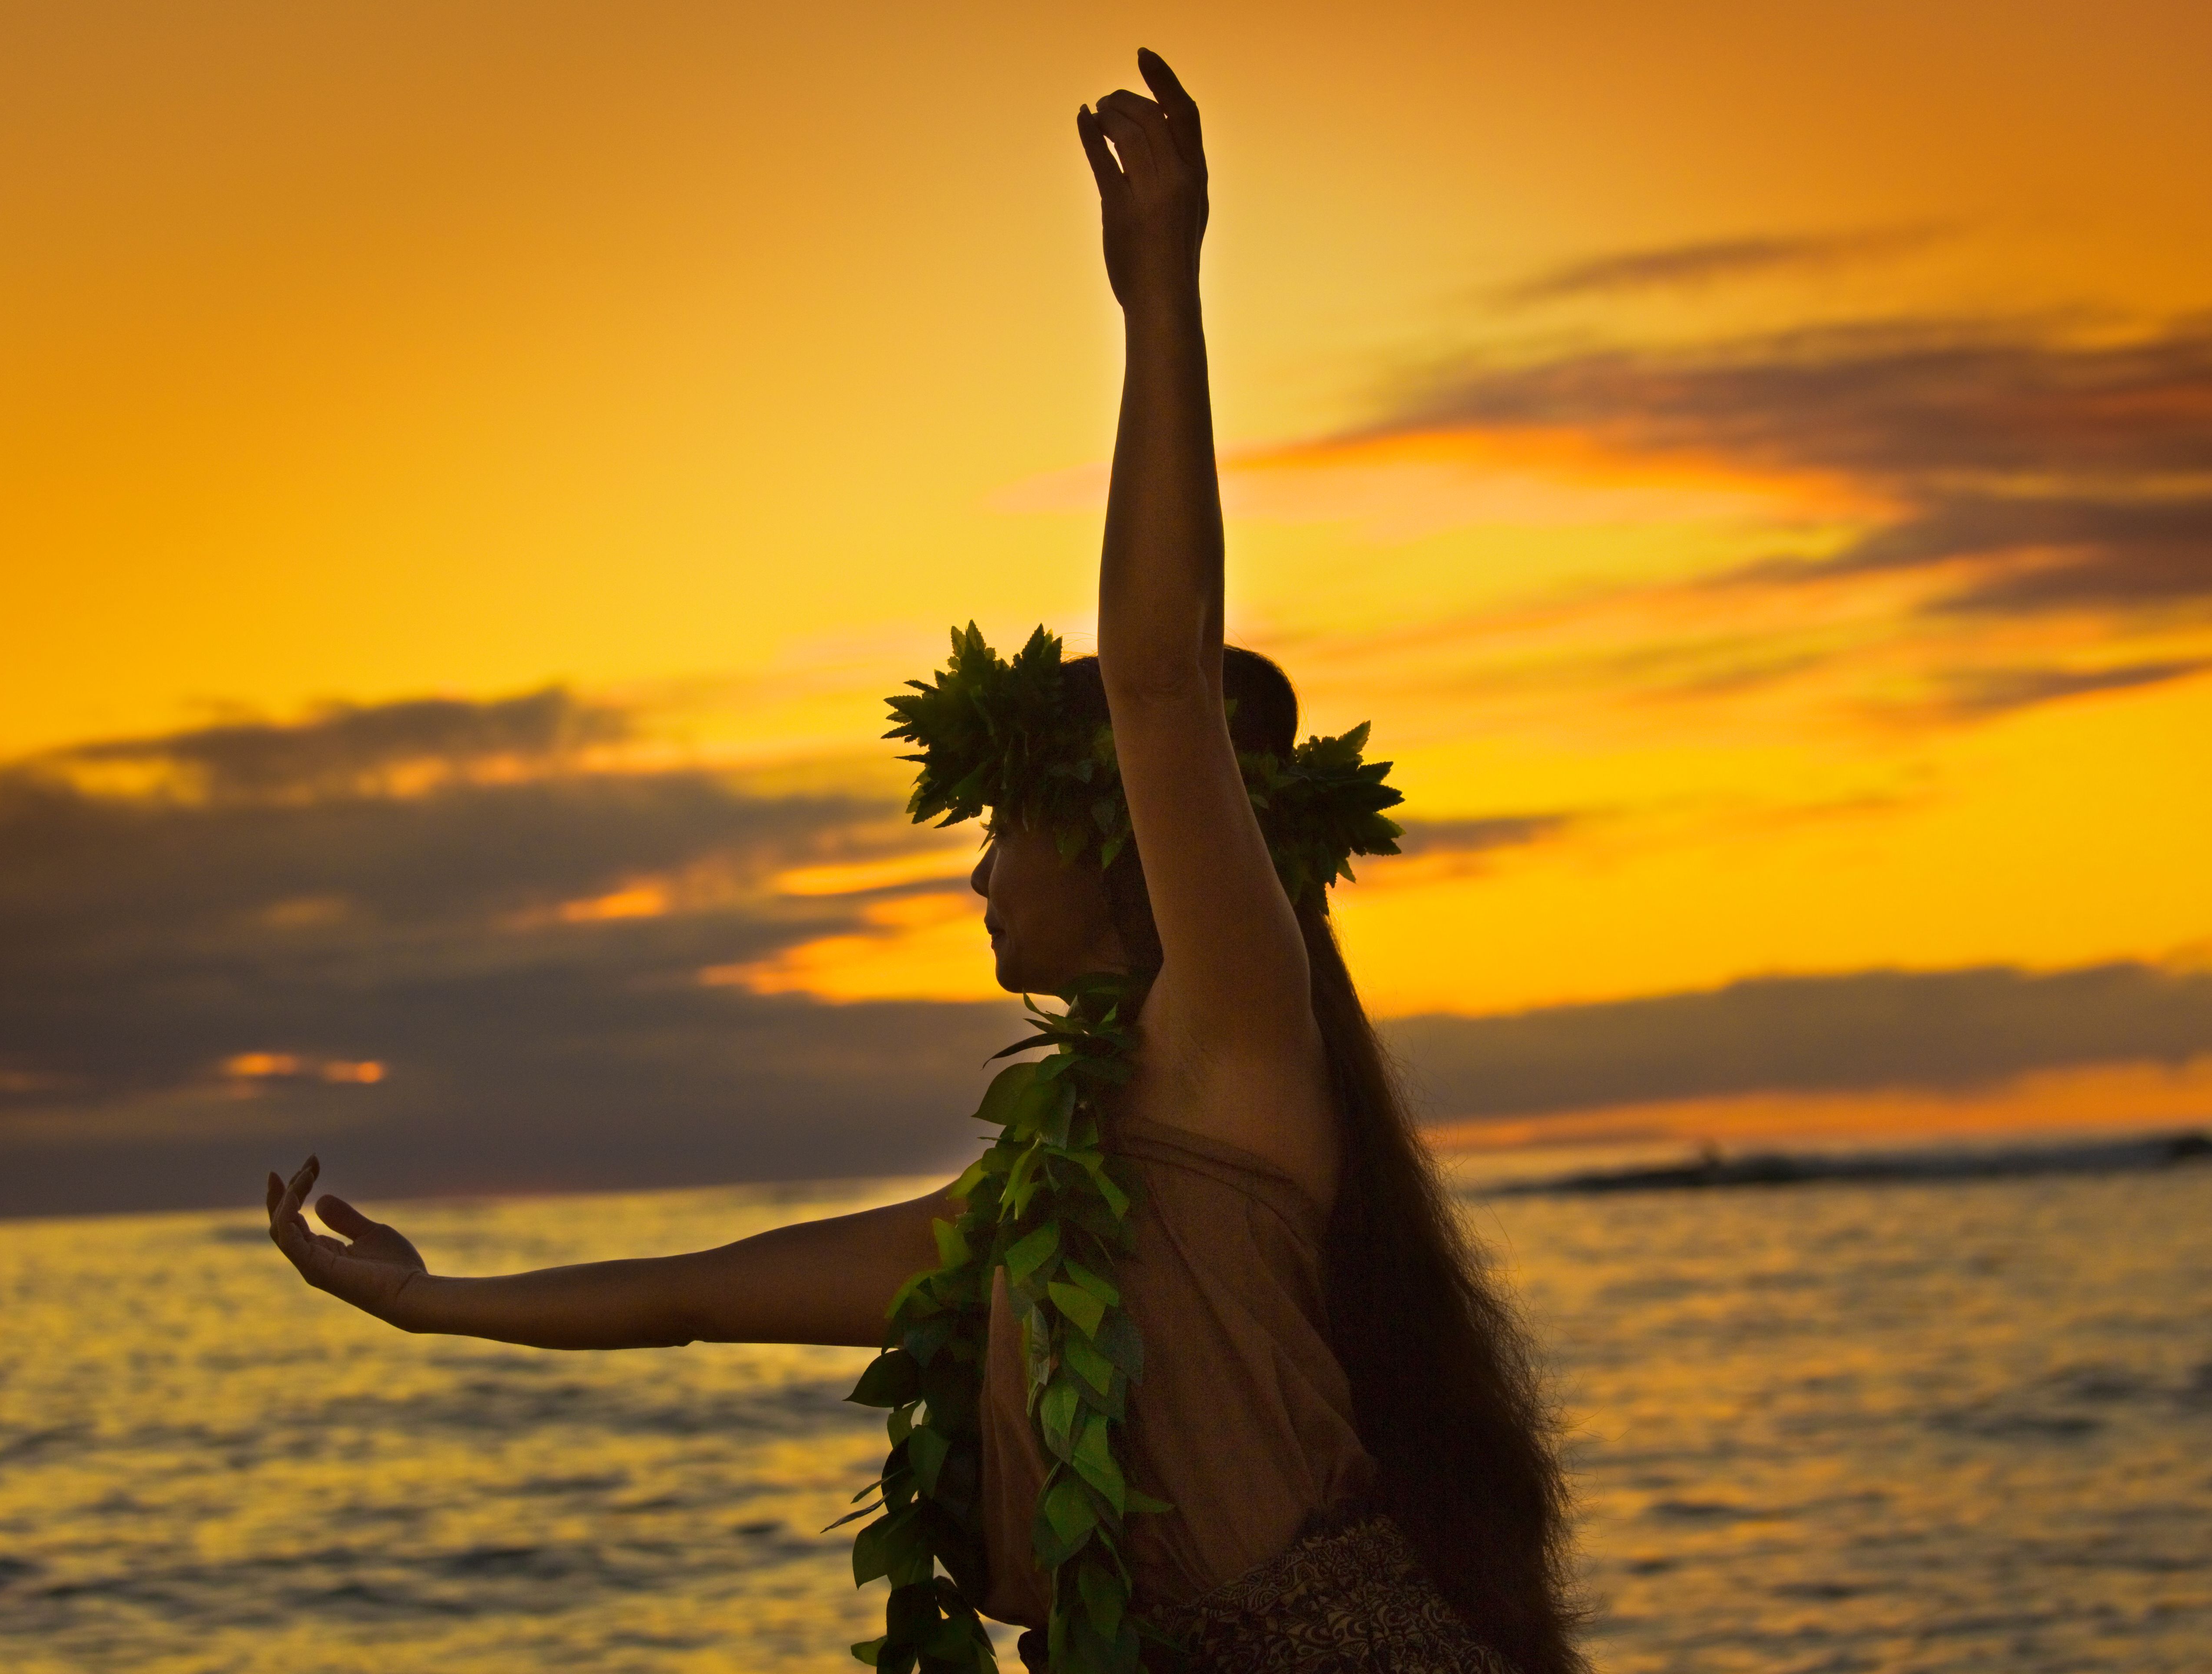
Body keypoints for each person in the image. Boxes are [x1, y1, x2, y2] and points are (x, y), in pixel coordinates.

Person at [267, 50, 1581, 1674]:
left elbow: (1160, 675)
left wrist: (1159, 289)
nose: (972, 883)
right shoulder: (1034, 1201)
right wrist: (433, 1301)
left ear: (1113, 843)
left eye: (995, 836)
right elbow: (692, 1294)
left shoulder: (1235, 1039)